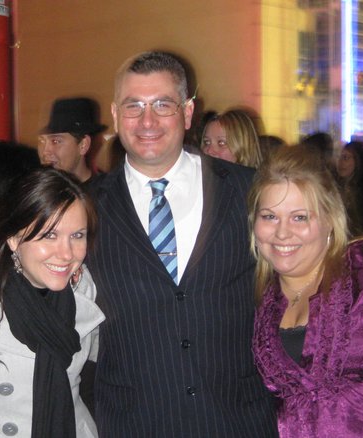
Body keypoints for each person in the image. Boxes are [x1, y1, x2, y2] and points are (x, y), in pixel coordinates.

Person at [86, 51, 277, 437]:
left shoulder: (250, 189)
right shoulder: (83, 208)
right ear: (115, 114)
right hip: (133, 424)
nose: (148, 120)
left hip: (239, 421)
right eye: (133, 106)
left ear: (188, 113)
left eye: (163, 104)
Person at [248, 146, 363, 437]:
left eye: (300, 217)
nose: (282, 233)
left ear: (330, 220)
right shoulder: (261, 302)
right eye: (269, 216)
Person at [0, 167, 104, 438]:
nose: (66, 253)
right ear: (13, 238)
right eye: (49, 235)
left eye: (77, 236)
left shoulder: (83, 291)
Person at [38, 97, 106, 184]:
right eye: (42, 141)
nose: (45, 152)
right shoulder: (38, 190)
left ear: (83, 145)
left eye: (55, 141)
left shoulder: (106, 193)